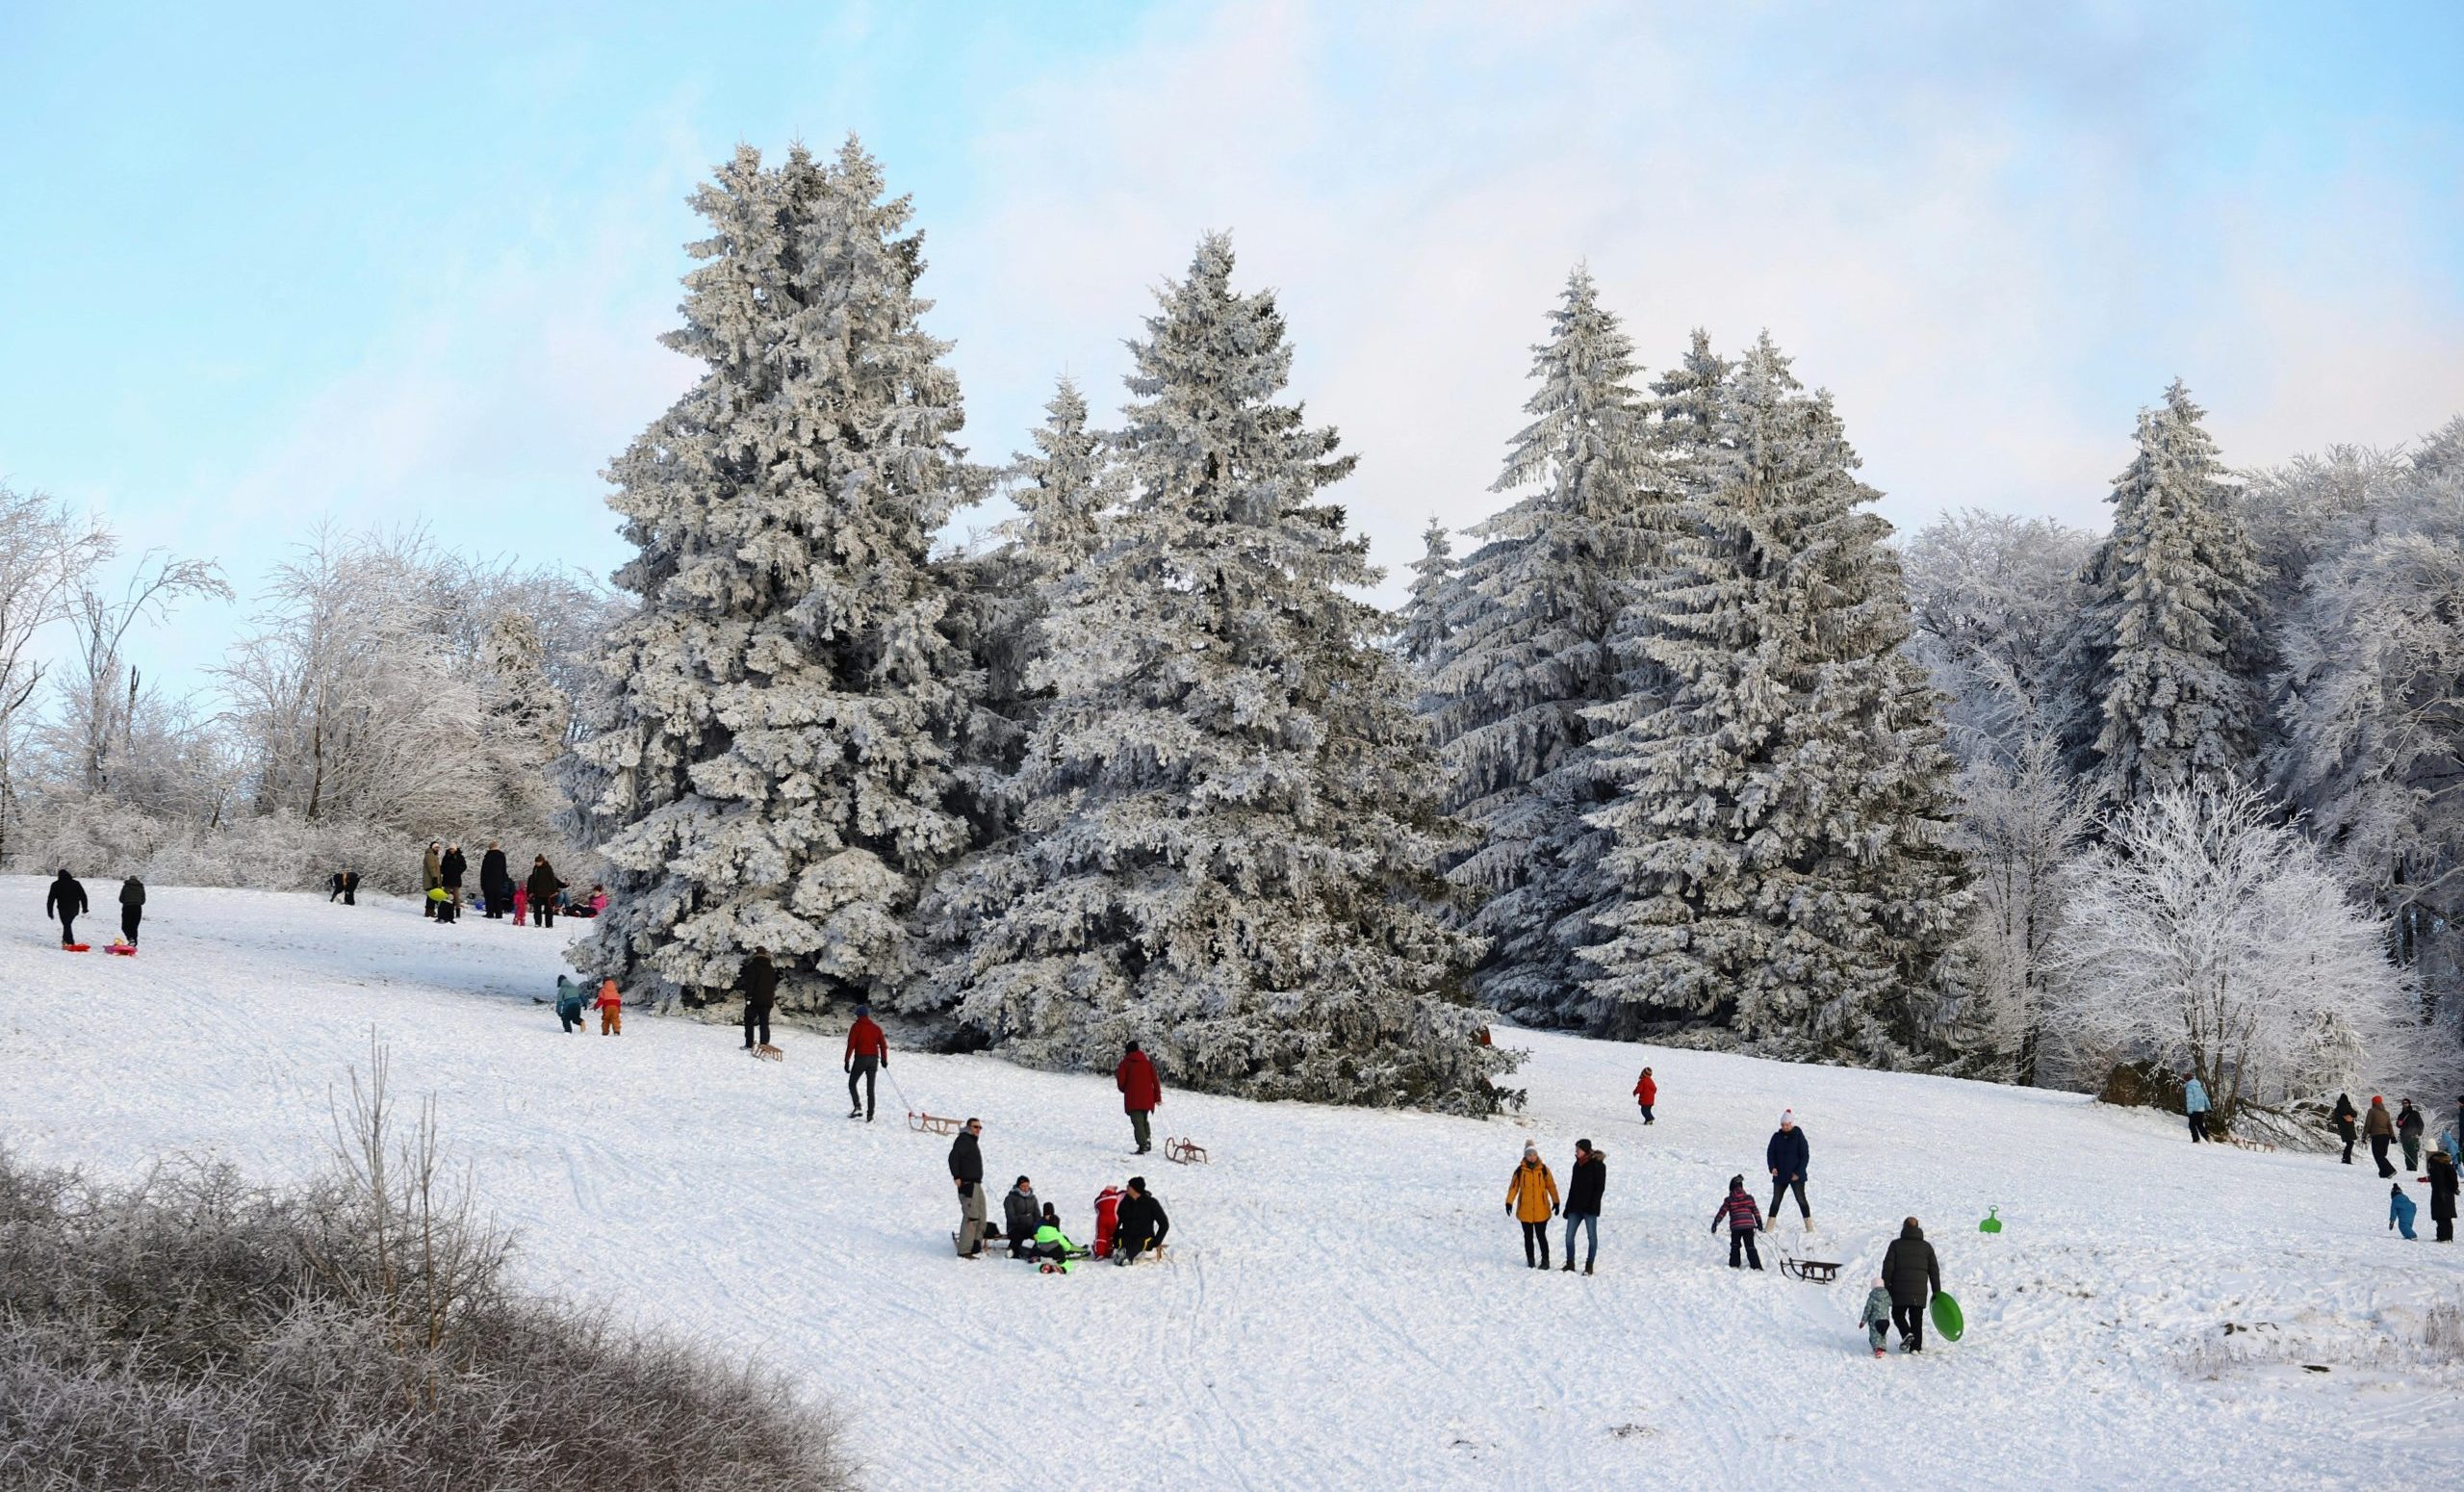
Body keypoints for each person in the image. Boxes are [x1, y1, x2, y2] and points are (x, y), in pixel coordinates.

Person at [1881, 1217, 1941, 1351]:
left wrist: (1885, 1287)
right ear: (1917, 1227)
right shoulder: (1927, 1247)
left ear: (1904, 1227)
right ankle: (1915, 1348)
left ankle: (1906, 1333)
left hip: (1899, 1289)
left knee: (1898, 1315)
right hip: (1919, 1291)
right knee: (1916, 1319)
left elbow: (1888, 1268)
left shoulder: (1895, 1245)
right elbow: (1934, 1271)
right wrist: (1937, 1291)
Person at [1505, 1143, 1559, 1270]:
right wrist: (1509, 1202)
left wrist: (1556, 1201)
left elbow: (1551, 1186)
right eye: (1529, 1155)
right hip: (1525, 1210)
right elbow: (1513, 1188)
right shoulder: (1520, 1171)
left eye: (1534, 1154)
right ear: (1525, 1156)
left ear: (1537, 1155)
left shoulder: (1544, 1169)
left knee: (1541, 1236)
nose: (1532, 1157)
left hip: (1541, 1210)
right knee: (1528, 1237)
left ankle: (1545, 1261)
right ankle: (1530, 1260)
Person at [1560, 1139, 1605, 1275]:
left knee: (1592, 1237)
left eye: (1578, 1150)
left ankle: (1589, 1265)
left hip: (1590, 1209)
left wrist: (1594, 1206)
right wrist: (1568, 1207)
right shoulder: (1577, 1165)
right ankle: (1570, 1263)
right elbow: (1573, 1187)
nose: (1576, 1152)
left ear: (1585, 1150)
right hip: (1575, 1207)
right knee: (1569, 1236)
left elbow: (1599, 1188)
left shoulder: (1598, 1165)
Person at [1767, 1110, 1812, 1232]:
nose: (1785, 1127)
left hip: (1796, 1176)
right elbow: (1770, 1153)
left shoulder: (1799, 1136)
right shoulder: (1776, 1137)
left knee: (1801, 1200)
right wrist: (1772, 1167)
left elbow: (1805, 1156)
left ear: (1791, 1123)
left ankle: (1809, 1226)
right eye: (1783, 1125)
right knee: (1776, 1200)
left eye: (1787, 1124)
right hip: (1780, 1175)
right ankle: (1769, 1227)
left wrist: (1798, 1173)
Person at [950, 1119, 988, 1259]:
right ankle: (964, 1250)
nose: (978, 1129)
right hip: (968, 1184)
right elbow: (953, 1157)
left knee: (981, 1214)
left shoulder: (972, 1141)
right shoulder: (964, 1140)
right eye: (975, 1127)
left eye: (980, 1127)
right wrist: (956, 1176)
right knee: (971, 1216)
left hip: (976, 1184)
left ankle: (975, 1244)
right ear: (968, 1127)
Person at [1116, 1041, 1163, 1154]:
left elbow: (1121, 1083)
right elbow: (1155, 1081)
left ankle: (1143, 1145)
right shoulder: (1146, 1062)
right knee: (1144, 1120)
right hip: (1147, 1098)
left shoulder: (1125, 1064)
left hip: (1133, 1099)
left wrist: (1126, 1089)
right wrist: (1157, 1098)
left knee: (1137, 1122)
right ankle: (1147, 1140)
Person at [844, 1003, 888, 1120]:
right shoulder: (876, 1028)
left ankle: (857, 1107)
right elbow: (883, 1045)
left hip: (861, 1059)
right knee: (870, 1089)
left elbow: (851, 1045)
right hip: (874, 1060)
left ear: (858, 1015)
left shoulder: (856, 1027)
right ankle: (870, 1116)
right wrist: (884, 1059)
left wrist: (847, 1060)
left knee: (852, 1083)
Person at [1113, 1175, 1169, 1265]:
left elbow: (1164, 1224)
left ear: (1135, 1189)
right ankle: (1122, 1254)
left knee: (1139, 1241)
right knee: (1124, 1238)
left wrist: (1156, 1242)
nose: (1127, 1187)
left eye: (1129, 1186)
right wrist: (1115, 1239)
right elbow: (1118, 1221)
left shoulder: (1151, 1203)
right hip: (1128, 1235)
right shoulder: (1124, 1202)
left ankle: (1127, 1257)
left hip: (1145, 1237)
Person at [1711, 1174, 1763, 1271]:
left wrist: (1716, 1222)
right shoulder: (1749, 1198)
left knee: (1735, 1245)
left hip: (1736, 1227)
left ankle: (1734, 1264)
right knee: (1750, 1246)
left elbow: (1722, 1212)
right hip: (1748, 1226)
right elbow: (1755, 1211)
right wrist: (1759, 1222)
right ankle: (1756, 1266)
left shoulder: (1729, 1200)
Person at [741, 949, 777, 1054]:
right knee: (764, 1023)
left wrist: (748, 997)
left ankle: (749, 1044)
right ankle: (764, 1043)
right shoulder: (770, 968)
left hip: (754, 1000)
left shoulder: (753, 967)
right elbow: (773, 984)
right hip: (767, 1000)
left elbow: (750, 983)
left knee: (749, 1021)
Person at [1030, 1202, 1080, 1272]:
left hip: (1050, 1246)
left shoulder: (1054, 1219)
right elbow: (1036, 1236)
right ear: (1044, 1214)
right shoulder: (1039, 1223)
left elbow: (1057, 1233)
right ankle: (1035, 1256)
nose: (1049, 1216)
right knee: (1038, 1246)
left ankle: (1073, 1248)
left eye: (1050, 1214)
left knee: (1064, 1238)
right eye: (1047, 1215)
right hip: (1043, 1244)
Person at [46, 869, 88, 946]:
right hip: (74, 908)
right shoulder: (76, 883)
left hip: (62, 909)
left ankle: (70, 942)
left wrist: (50, 912)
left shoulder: (55, 884)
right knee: (67, 924)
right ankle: (65, 940)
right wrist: (85, 907)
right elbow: (83, 896)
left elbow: (51, 899)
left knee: (66, 924)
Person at [1003, 1176, 1041, 1260]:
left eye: (1027, 1186)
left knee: (1041, 1235)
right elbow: (1010, 1216)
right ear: (1018, 1186)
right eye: (1023, 1186)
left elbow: (1037, 1214)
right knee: (1018, 1236)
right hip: (1015, 1227)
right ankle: (1013, 1252)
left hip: (1030, 1227)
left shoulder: (1033, 1198)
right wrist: (1025, 1218)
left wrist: (1037, 1225)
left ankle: (1039, 1252)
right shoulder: (1010, 1198)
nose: (1025, 1188)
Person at [2426, 1147, 2457, 1244]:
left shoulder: (2435, 1164)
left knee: (2441, 1216)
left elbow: (2438, 1180)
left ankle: (2442, 1237)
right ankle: (2449, 1237)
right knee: (2447, 1217)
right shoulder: (2447, 1164)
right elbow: (2454, 1178)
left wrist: (2440, 1191)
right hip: (2449, 1193)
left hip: (2440, 1192)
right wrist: (2453, 1189)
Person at [1860, 1275, 1894, 1358]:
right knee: (1882, 1334)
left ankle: (1878, 1349)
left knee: (1875, 1335)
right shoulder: (1887, 1296)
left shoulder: (1872, 1298)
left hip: (1875, 1321)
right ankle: (1883, 1347)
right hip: (1886, 1320)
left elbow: (1867, 1310)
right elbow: (1891, 1303)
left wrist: (1863, 1321)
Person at [526, 857, 565, 930]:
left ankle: (549, 924)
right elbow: (533, 881)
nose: (537, 863)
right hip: (537, 893)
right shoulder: (535, 869)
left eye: (538, 862)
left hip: (548, 893)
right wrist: (530, 892)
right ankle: (537, 923)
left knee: (548, 910)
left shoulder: (548, 868)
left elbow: (552, 880)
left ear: (542, 862)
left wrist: (555, 891)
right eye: (536, 862)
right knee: (537, 909)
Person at [2366, 1095, 2397, 1177]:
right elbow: (2389, 1126)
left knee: (2378, 1155)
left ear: (2373, 1102)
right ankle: (2383, 1173)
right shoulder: (2386, 1113)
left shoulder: (2371, 1111)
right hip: (2386, 1136)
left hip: (2377, 1136)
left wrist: (2364, 1135)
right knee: (2382, 1155)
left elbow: (2368, 1124)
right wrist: (2392, 1137)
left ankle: (2390, 1170)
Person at [479, 842, 510, 918]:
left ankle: (490, 913)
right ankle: (499, 914)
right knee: (498, 898)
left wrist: (483, 881)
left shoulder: (488, 856)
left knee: (489, 897)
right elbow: (504, 869)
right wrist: (503, 880)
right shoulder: (501, 856)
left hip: (489, 880)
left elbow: (484, 870)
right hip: (499, 881)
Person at [2182, 1072, 2211, 1144]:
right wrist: (2208, 1107)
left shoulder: (2189, 1087)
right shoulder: (2199, 1087)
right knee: (2200, 1125)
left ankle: (2196, 1140)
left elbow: (2190, 1099)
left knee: (2192, 1125)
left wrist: (2189, 1110)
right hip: (2201, 1109)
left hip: (2194, 1109)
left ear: (2186, 1080)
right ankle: (2208, 1137)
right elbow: (2205, 1098)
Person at [2397, 1098, 2424, 1172]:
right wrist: (2398, 1124)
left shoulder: (2415, 1113)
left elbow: (2421, 1124)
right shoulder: (2401, 1115)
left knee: (2413, 1154)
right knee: (2407, 1155)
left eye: (2406, 1103)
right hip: (2404, 1137)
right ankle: (2408, 1170)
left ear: (2409, 1104)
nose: (2404, 1104)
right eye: (2403, 1103)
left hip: (2413, 1137)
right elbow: (2398, 1125)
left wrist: (2419, 1133)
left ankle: (2414, 1169)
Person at [117, 875, 144, 947]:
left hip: (127, 907)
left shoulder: (126, 886)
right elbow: (143, 901)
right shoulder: (141, 887)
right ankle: (134, 943)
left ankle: (130, 939)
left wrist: (127, 901)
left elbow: (121, 899)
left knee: (125, 926)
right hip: (137, 908)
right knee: (134, 927)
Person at [2332, 1093, 2359, 1165]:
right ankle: (2346, 1159)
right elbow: (2355, 1114)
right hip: (2348, 1126)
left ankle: (2345, 1158)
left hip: (2342, 1127)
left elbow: (2335, 1118)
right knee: (2350, 1143)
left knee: (2349, 1143)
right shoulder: (2347, 1105)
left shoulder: (2337, 1108)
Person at [440, 842, 467, 906]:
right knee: (445, 895)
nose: (452, 850)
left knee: (456, 896)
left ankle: (458, 909)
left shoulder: (460, 857)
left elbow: (464, 866)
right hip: (447, 878)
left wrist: (458, 872)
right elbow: (442, 866)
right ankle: (445, 908)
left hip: (456, 879)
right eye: (450, 849)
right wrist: (444, 872)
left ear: (456, 849)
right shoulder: (446, 857)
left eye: (453, 849)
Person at [422, 842, 442, 917]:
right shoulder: (429, 855)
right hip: (431, 880)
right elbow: (431, 867)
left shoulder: (433, 855)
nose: (437, 849)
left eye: (438, 848)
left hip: (433, 879)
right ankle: (429, 912)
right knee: (431, 896)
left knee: (432, 895)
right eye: (436, 847)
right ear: (432, 848)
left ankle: (430, 911)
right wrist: (435, 878)